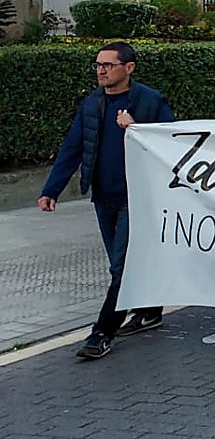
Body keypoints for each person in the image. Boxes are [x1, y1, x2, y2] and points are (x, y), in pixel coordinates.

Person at [38, 42, 174, 360]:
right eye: (98, 65)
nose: (101, 70)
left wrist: (139, 127)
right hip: (104, 196)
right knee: (124, 263)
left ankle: (102, 332)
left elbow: (171, 139)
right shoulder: (92, 104)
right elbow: (73, 147)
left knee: (121, 267)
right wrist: (51, 190)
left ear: (129, 68)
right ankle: (150, 310)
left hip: (138, 197)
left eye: (109, 65)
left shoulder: (149, 101)